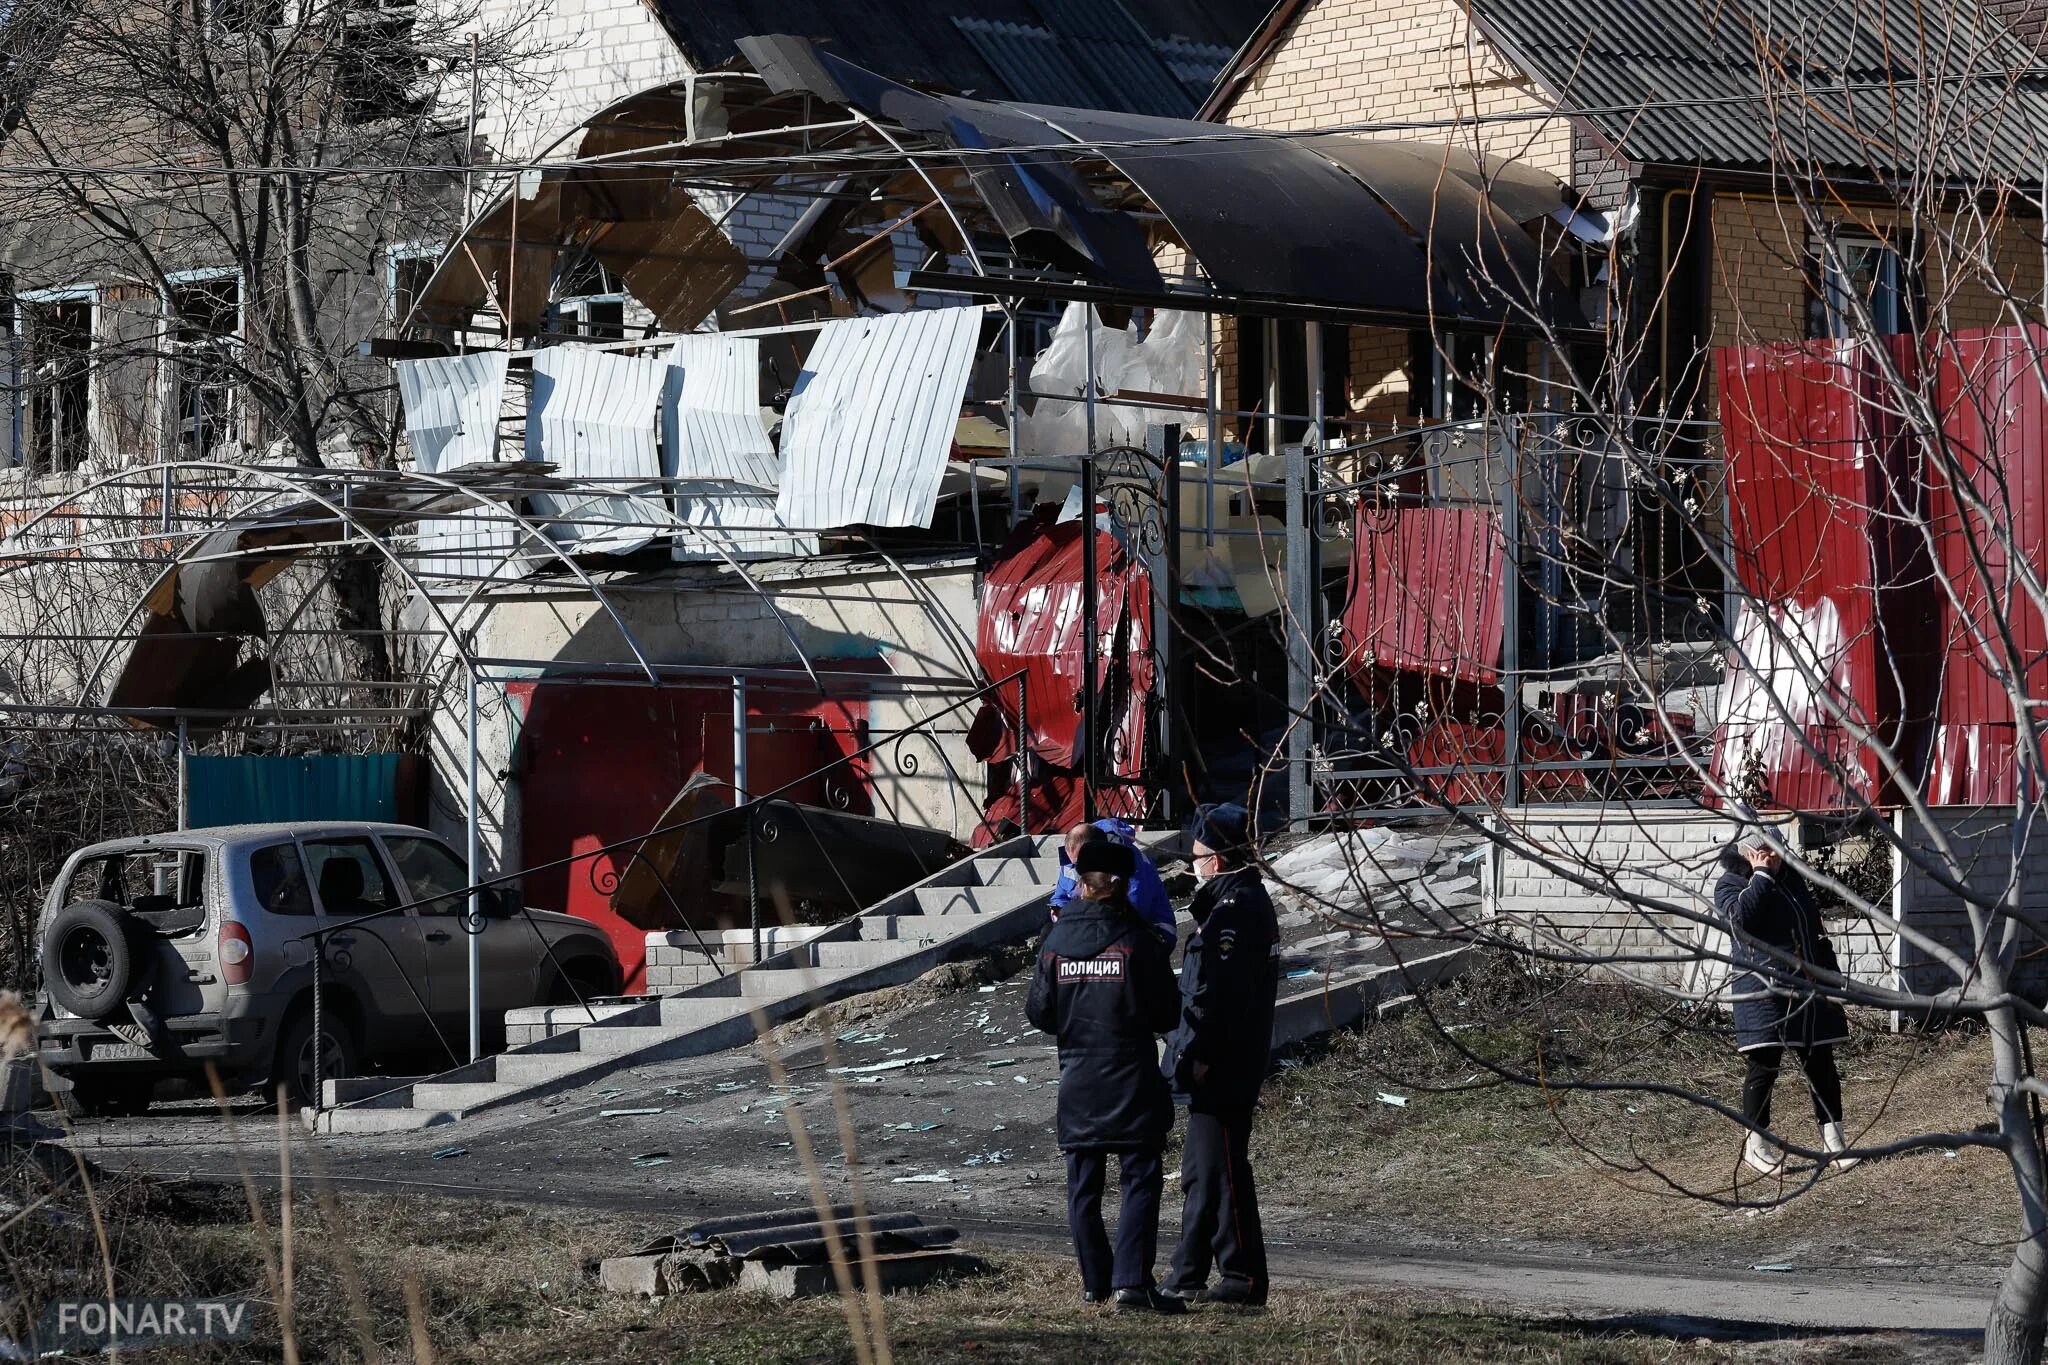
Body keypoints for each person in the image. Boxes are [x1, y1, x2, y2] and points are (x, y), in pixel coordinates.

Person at [1026, 837, 1186, 1314]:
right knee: (1139, 1178)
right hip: (1132, 1077)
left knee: (1083, 1185)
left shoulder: (1055, 943)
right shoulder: (1138, 942)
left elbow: (1039, 1011)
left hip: (1078, 1079)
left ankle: (1094, 1282)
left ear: (1082, 883)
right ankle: (1131, 1283)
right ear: (1123, 885)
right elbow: (1167, 1012)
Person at [1161, 802, 1279, 1307]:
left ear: (1220, 858)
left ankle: (1239, 1277)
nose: (1194, 862)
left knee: (1222, 1170)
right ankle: (1197, 1271)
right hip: (1225, 1057)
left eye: (1200, 853)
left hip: (1224, 1062)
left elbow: (1218, 995)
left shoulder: (1234, 912)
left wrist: (1199, 1053)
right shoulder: (1235, 904)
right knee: (1205, 1171)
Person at [1714, 834, 1858, 1175]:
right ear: (1748, 852)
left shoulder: (1792, 880)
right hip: (1764, 990)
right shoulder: (1730, 883)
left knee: (1821, 1064)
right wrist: (1761, 876)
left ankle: (1833, 1143)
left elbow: (1813, 930)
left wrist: (1832, 979)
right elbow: (1741, 923)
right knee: (1764, 1066)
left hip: (1809, 986)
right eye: (1765, 853)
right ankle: (1757, 1146)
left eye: (1777, 852)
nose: (1774, 858)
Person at [1048, 818, 1176, 944]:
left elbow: (1134, 908)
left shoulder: (1127, 862)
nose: (1076, 867)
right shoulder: (1072, 859)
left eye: (1079, 862)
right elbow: (1060, 898)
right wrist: (1064, 918)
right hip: (1093, 925)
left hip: (1151, 929)